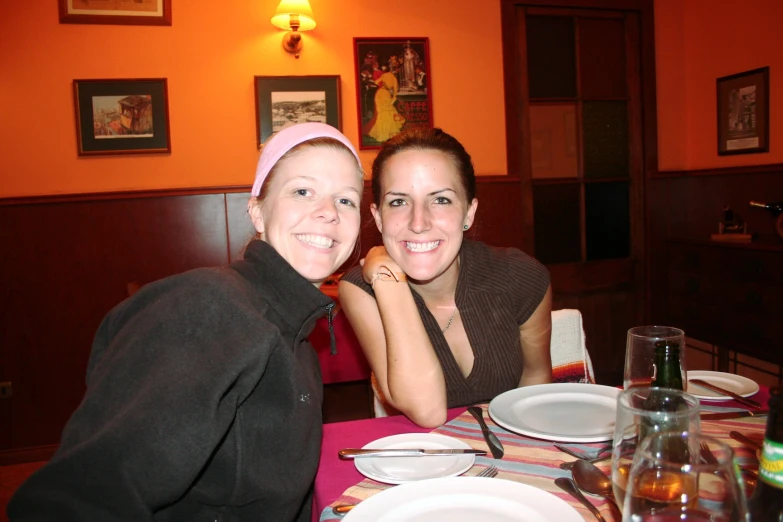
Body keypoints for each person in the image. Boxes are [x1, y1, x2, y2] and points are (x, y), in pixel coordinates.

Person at [7, 123, 364, 522]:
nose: (329, 213)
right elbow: (78, 500)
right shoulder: (208, 308)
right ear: (257, 211)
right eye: (302, 191)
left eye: (346, 201)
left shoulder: (297, 334)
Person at [339, 128, 552, 428]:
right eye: (399, 202)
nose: (418, 223)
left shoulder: (521, 276)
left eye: (440, 200)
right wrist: (389, 281)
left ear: (469, 212)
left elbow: (536, 380)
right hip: (424, 464)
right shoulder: (362, 288)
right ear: (377, 217)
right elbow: (425, 410)